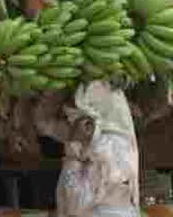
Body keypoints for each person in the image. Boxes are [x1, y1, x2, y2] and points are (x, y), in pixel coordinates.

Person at [55, 81, 140, 217]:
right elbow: (75, 199)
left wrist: (75, 144)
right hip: (107, 155)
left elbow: (74, 199)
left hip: (102, 149)